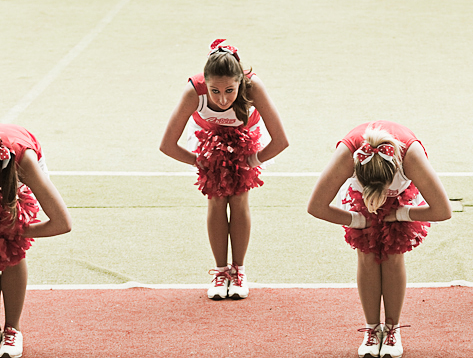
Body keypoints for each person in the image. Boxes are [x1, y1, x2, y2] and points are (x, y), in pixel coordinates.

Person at [307, 121, 451, 358]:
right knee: (367, 255)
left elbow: (442, 210)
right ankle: (372, 328)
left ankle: (393, 328)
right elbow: (316, 206)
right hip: (359, 202)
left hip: (401, 199)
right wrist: (358, 221)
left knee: (393, 255)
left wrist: (401, 214)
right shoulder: (347, 154)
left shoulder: (410, 156)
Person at [160, 39, 288, 300]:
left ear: (240, 81)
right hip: (208, 140)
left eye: (229, 90)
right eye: (214, 91)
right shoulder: (193, 90)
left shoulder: (253, 87)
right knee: (217, 199)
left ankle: (238, 271)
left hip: (245, 139)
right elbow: (167, 145)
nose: (222, 99)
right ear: (205, 84)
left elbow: (281, 140)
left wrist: (253, 160)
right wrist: (198, 161)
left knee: (239, 199)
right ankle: (220, 272)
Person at [0, 124, 72, 358]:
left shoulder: (24, 163)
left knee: (10, 248)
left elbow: (62, 223)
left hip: (17, 170)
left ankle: (12, 328)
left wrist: (14, 231)